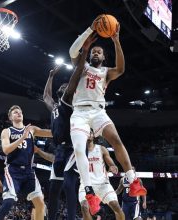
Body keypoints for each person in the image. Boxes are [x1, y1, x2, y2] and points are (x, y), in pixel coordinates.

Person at [68, 15, 146, 214]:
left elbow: (121, 68)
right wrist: (88, 30)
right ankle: (89, 192)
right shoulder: (82, 66)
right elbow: (72, 51)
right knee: (79, 149)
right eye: (94, 50)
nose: (95, 53)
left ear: (103, 57)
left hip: (98, 111)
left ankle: (132, 179)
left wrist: (116, 40)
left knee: (116, 140)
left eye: (99, 52)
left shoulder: (106, 73)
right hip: (79, 112)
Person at [43, 33, 96, 220]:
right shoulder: (55, 106)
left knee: (68, 184)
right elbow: (46, 97)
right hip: (59, 149)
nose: (67, 87)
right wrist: (50, 77)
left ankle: (73, 217)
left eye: (68, 87)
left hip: (73, 147)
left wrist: (84, 53)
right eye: (65, 86)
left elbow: (74, 78)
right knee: (54, 189)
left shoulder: (67, 101)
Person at [0, 105, 52, 220]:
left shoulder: (31, 129)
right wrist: (22, 137)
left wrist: (68, 128)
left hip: (28, 171)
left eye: (20, 112)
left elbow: (51, 133)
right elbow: (6, 150)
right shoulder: (7, 131)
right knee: (8, 202)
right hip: (13, 171)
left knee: (40, 204)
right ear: (10, 117)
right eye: (15, 112)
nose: (19, 113)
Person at [78, 132, 124, 220]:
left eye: (90, 132)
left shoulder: (101, 149)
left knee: (116, 207)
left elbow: (110, 162)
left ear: (93, 135)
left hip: (103, 184)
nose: (88, 134)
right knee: (84, 207)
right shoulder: (78, 150)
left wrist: (112, 166)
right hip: (86, 185)